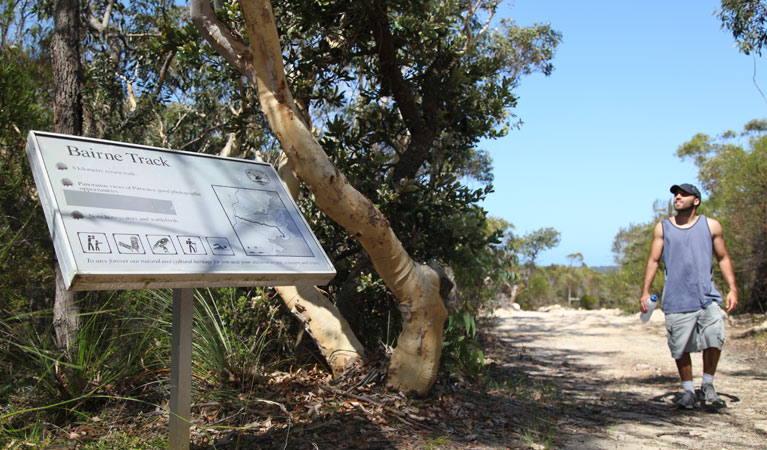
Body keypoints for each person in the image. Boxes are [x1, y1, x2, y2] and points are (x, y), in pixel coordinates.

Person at [639, 183, 738, 410]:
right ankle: (687, 390)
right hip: (676, 298)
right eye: (675, 195)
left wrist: (733, 289)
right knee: (680, 346)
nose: (677, 197)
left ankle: (708, 387)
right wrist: (645, 291)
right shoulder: (662, 228)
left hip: (707, 296)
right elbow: (653, 260)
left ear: (696, 200)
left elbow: (723, 258)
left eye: (683, 194)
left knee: (714, 338)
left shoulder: (711, 226)